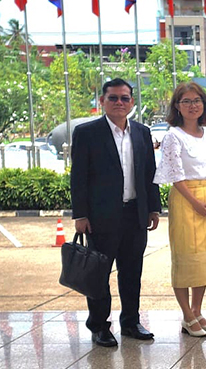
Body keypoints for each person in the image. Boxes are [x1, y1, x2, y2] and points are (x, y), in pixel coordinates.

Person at [70, 78, 161, 348]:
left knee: (132, 272)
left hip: (135, 214)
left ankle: (131, 322)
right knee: (99, 274)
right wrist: (80, 215)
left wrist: (153, 208)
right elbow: (79, 177)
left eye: (124, 98)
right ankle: (99, 326)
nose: (119, 103)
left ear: (132, 102)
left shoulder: (142, 132)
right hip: (101, 217)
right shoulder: (87, 133)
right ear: (102, 101)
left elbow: (149, 173)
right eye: (113, 98)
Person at [153, 82, 206, 337]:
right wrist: (196, 202)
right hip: (186, 200)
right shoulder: (174, 136)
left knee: (203, 258)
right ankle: (186, 315)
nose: (193, 105)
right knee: (185, 259)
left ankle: (197, 310)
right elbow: (175, 175)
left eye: (197, 100)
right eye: (186, 101)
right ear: (177, 106)